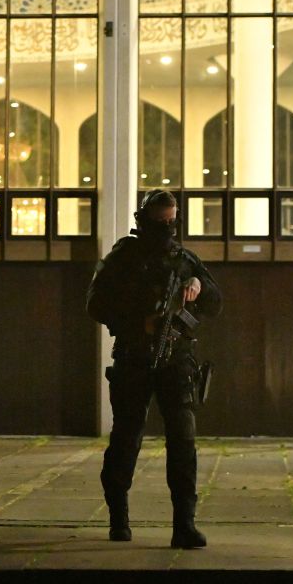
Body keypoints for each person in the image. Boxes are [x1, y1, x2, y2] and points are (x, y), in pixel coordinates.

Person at [86, 188, 222, 548]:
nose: (166, 229)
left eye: (171, 222)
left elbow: (215, 301)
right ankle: (119, 520)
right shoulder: (123, 257)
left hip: (176, 360)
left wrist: (198, 285)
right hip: (134, 357)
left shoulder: (183, 258)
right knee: (126, 439)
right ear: (143, 220)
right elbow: (95, 304)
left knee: (183, 441)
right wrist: (138, 323)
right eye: (159, 222)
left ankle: (184, 525)